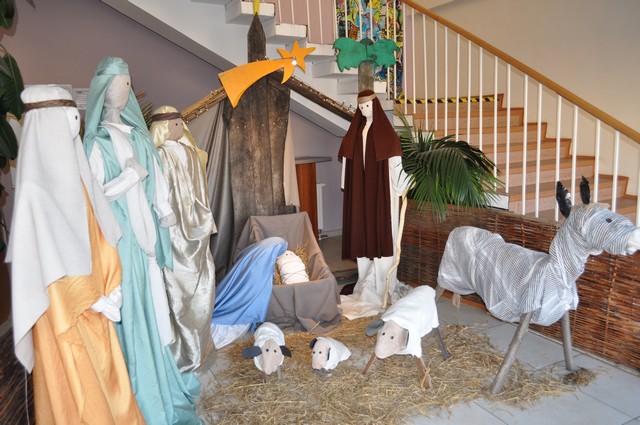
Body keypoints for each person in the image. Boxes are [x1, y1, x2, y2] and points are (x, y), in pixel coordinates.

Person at [7, 85, 145, 424]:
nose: (76, 120)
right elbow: (47, 274)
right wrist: (90, 297)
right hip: (66, 317)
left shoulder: (79, 178)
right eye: (66, 115)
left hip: (98, 303)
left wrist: (111, 283)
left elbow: (100, 233)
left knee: (110, 386)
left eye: (75, 113)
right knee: (80, 393)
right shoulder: (33, 194)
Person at [83, 57, 202, 424]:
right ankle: (136, 387)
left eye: (127, 82)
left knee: (153, 309)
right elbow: (93, 197)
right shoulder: (97, 144)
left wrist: (164, 209)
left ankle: (160, 376)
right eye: (117, 83)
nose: (124, 89)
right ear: (103, 90)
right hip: (121, 243)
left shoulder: (138, 136)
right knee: (132, 313)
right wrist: (129, 178)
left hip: (147, 240)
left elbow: (157, 178)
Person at [149, 106, 217, 374]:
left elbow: (200, 192)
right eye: (173, 124)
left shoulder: (190, 153)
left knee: (203, 284)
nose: (179, 128)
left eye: (180, 123)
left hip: (196, 229)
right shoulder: (159, 156)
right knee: (177, 288)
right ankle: (181, 352)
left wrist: (200, 222)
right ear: (162, 129)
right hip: (174, 233)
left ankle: (201, 345)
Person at [338, 89, 410, 319]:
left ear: (375, 107)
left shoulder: (387, 135)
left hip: (382, 193)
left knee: (382, 232)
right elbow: (347, 163)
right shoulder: (355, 132)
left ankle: (384, 284)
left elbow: (395, 163)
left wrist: (402, 184)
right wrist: (348, 185)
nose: (363, 110)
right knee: (362, 232)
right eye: (360, 107)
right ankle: (365, 280)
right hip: (361, 191)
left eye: (367, 106)